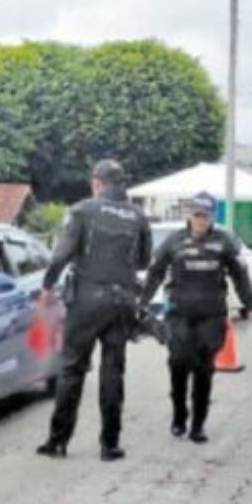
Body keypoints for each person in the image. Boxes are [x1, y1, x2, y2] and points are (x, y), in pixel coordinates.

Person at [36, 159, 153, 462]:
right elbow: (143, 261)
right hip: (122, 301)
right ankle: (110, 445)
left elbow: (62, 253)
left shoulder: (83, 210)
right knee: (113, 371)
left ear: (98, 183)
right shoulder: (138, 216)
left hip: (86, 299)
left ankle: (58, 441)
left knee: (72, 369)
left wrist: (47, 285)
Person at [142, 195, 252, 443]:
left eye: (205, 216)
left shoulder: (224, 241)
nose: (200, 220)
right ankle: (179, 414)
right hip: (179, 314)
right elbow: (155, 272)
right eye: (196, 215)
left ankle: (198, 424)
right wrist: (142, 302)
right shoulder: (174, 241)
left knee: (204, 369)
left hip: (211, 314)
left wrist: (250, 304)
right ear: (189, 216)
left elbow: (240, 274)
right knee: (178, 362)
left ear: (212, 216)